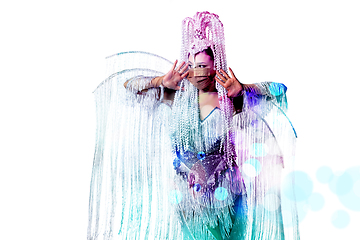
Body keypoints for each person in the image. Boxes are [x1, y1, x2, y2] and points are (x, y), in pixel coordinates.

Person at [88, 11, 299, 240]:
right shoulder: (176, 97)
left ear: (215, 67)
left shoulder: (229, 99)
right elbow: (128, 86)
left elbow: (280, 90)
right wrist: (160, 82)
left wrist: (244, 89)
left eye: (201, 66)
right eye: (191, 65)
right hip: (188, 200)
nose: (195, 72)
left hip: (227, 199)